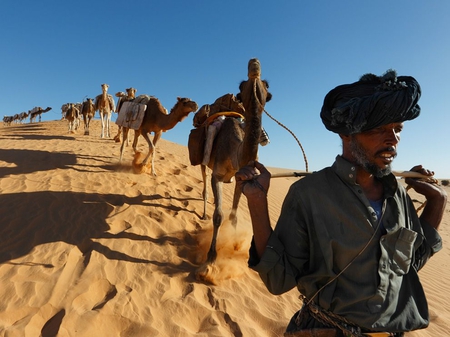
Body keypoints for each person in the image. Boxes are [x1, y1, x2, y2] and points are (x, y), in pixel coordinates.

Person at [235, 70, 447, 337]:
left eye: (398, 129)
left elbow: (410, 266)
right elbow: (278, 279)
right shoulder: (309, 194)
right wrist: (256, 201)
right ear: (348, 134)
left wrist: (437, 201)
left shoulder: (399, 195)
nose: (393, 139)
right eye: (380, 128)